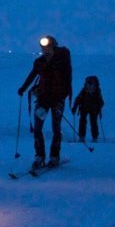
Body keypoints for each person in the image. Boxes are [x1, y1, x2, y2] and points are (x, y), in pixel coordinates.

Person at [18, 35, 73, 168]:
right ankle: (40, 156)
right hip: (43, 98)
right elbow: (32, 75)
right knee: (37, 128)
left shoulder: (62, 59)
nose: (45, 50)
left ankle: (54, 156)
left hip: (57, 99)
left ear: (53, 47)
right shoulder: (39, 62)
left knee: (56, 128)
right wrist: (23, 88)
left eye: (48, 48)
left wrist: (64, 96)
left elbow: (68, 78)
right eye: (43, 48)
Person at [72, 75, 104, 141]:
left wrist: (75, 107)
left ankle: (84, 137)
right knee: (88, 122)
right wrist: (75, 106)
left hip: (88, 108)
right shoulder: (94, 91)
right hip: (87, 108)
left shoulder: (86, 90)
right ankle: (92, 137)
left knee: (89, 122)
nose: (89, 86)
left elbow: (78, 99)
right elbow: (78, 99)